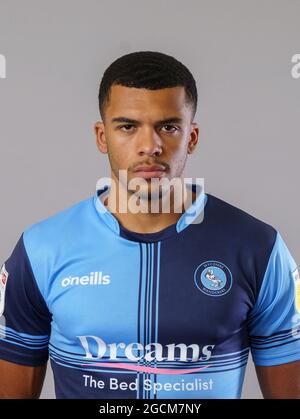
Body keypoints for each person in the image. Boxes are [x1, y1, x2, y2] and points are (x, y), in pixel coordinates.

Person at [0, 51, 299, 399]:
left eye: (168, 127)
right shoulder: (41, 249)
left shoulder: (258, 248)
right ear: (102, 137)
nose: (150, 146)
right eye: (128, 126)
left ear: (192, 137)